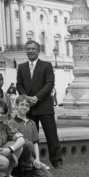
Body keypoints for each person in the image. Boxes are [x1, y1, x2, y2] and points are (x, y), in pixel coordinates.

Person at [17, 40, 62, 168]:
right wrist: (26, 99)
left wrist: (37, 97)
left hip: (44, 105)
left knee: (51, 135)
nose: (30, 51)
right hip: (29, 107)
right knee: (30, 137)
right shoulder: (21, 67)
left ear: (38, 50)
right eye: (28, 49)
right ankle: (31, 162)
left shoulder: (46, 65)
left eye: (33, 49)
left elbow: (49, 83)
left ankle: (57, 162)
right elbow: (19, 84)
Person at [11, 95, 53, 177]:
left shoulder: (32, 123)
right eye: (22, 104)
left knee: (47, 176)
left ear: (29, 108)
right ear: (16, 106)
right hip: (18, 156)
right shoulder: (11, 123)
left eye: (27, 105)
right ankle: (21, 171)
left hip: (31, 158)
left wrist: (37, 159)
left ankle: (28, 170)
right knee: (27, 144)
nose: (24, 107)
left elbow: (35, 143)